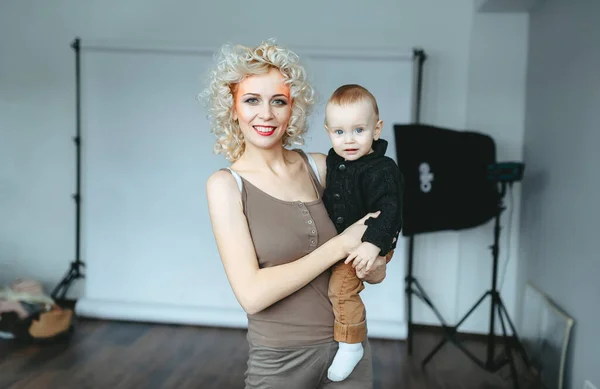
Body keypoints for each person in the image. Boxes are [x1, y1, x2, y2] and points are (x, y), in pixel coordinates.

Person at [202, 39, 389, 389]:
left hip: (349, 347)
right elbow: (252, 294)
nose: (266, 114)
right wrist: (339, 246)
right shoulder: (226, 186)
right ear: (232, 107)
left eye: (279, 101)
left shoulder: (320, 167)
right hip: (280, 361)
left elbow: (373, 259)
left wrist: (374, 260)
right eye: (252, 100)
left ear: (293, 109)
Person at [321, 84, 404, 381]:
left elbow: (391, 209)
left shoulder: (382, 168)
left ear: (376, 129)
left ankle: (351, 343)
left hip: (372, 241)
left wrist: (373, 245)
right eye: (340, 132)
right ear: (329, 132)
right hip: (345, 243)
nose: (349, 140)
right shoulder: (333, 161)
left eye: (359, 130)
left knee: (341, 290)